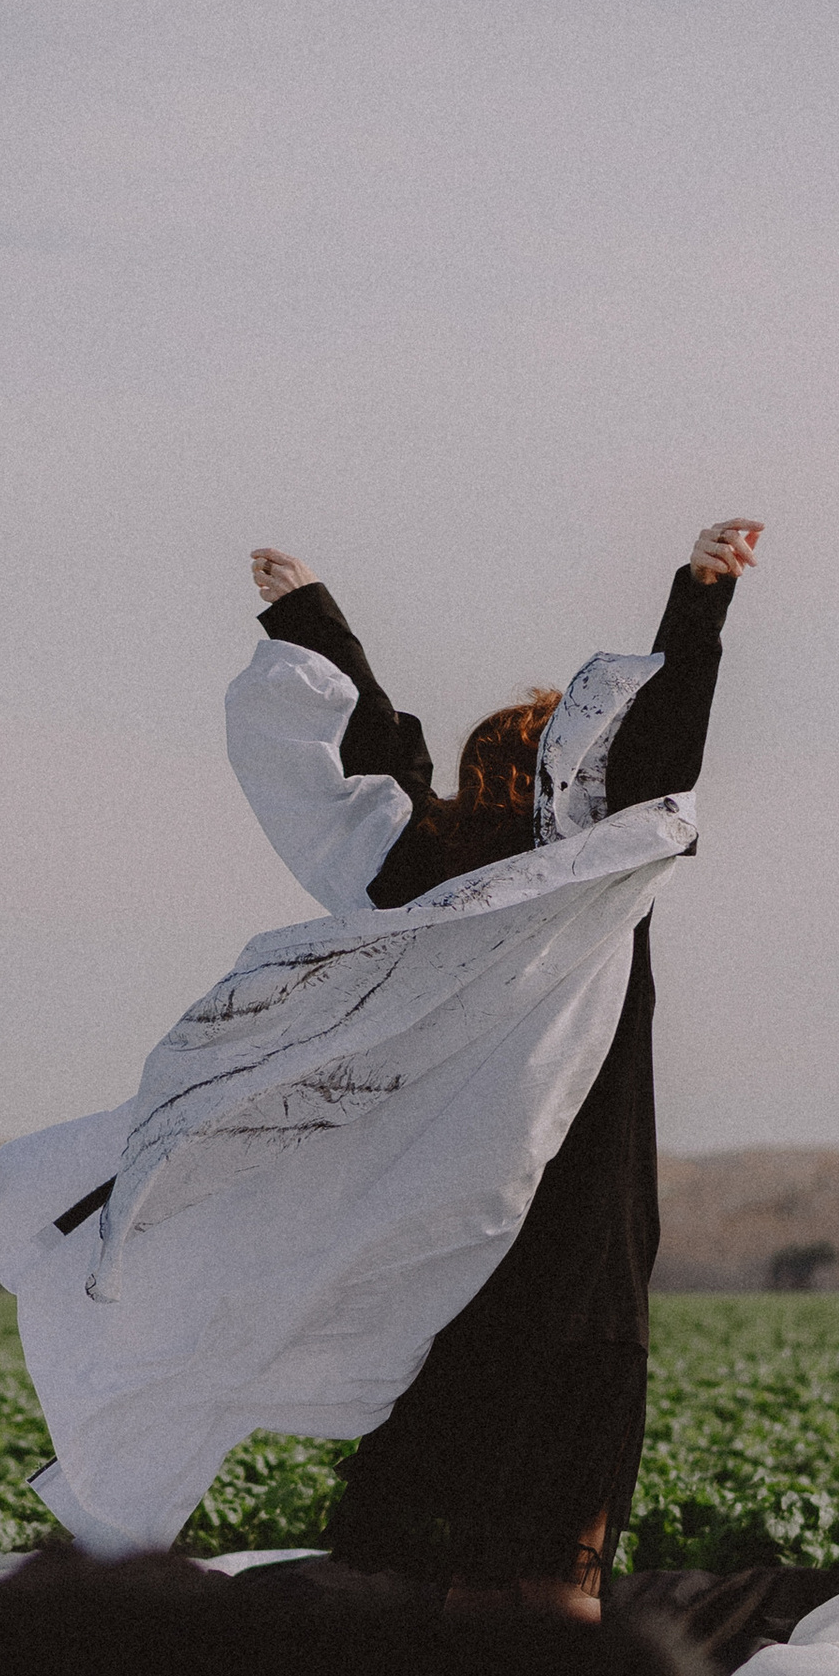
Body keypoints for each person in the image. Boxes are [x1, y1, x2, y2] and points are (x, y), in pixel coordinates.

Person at [243, 515, 761, 1618]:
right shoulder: (593, 878)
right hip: (577, 1227)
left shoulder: (433, 887)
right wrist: (699, 599)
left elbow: (376, 761)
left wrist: (309, 616)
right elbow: (660, 759)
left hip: (454, 1233)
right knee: (553, 1563)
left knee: (467, 1569)